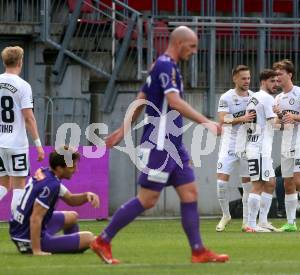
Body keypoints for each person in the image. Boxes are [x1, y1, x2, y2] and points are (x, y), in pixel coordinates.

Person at [90, 26, 229, 264]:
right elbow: (174, 102)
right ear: (179, 43)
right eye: (192, 46)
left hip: (173, 144)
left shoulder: (162, 66)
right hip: (159, 144)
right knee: (147, 199)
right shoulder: (165, 66)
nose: (195, 51)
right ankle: (102, 240)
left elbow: (141, 99)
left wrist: (121, 131)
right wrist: (206, 121)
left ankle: (198, 251)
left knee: (190, 192)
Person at [9, 147, 98, 255]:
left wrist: (86, 195)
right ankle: (53, 245)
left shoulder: (46, 172)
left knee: (73, 217)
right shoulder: (51, 185)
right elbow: (35, 218)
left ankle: (67, 245)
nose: (76, 170)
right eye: (72, 167)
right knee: (89, 238)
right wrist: (37, 251)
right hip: (27, 238)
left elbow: (70, 199)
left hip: (19, 229)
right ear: (60, 168)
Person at [0, 46, 44, 214]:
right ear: (20, 62)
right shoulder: (23, 86)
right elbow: (28, 118)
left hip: (0, 144)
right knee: (19, 187)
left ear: (4, 62)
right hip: (16, 144)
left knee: (3, 184)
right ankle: (17, 224)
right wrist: (38, 144)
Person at [272, 59, 300, 232]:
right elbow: (277, 125)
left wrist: (294, 117)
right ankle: (291, 222)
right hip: (287, 142)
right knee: (288, 183)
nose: (277, 78)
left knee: (299, 180)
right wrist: (281, 118)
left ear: (290, 75)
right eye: (275, 75)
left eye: (280, 74)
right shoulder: (278, 98)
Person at [215, 65, 254, 232]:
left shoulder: (254, 97)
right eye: (243, 78)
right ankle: (226, 215)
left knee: (247, 185)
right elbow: (223, 119)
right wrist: (243, 118)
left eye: (248, 78)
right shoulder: (226, 97)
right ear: (235, 79)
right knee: (221, 183)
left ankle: (246, 222)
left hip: (247, 145)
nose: (247, 81)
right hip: (229, 144)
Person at [244, 69, 280, 233]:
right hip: (258, 148)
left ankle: (263, 221)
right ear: (263, 81)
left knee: (271, 182)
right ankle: (251, 224)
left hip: (259, 148)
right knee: (258, 184)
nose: (276, 84)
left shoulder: (253, 98)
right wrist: (282, 116)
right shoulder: (266, 98)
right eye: (272, 81)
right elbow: (275, 124)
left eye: (277, 81)